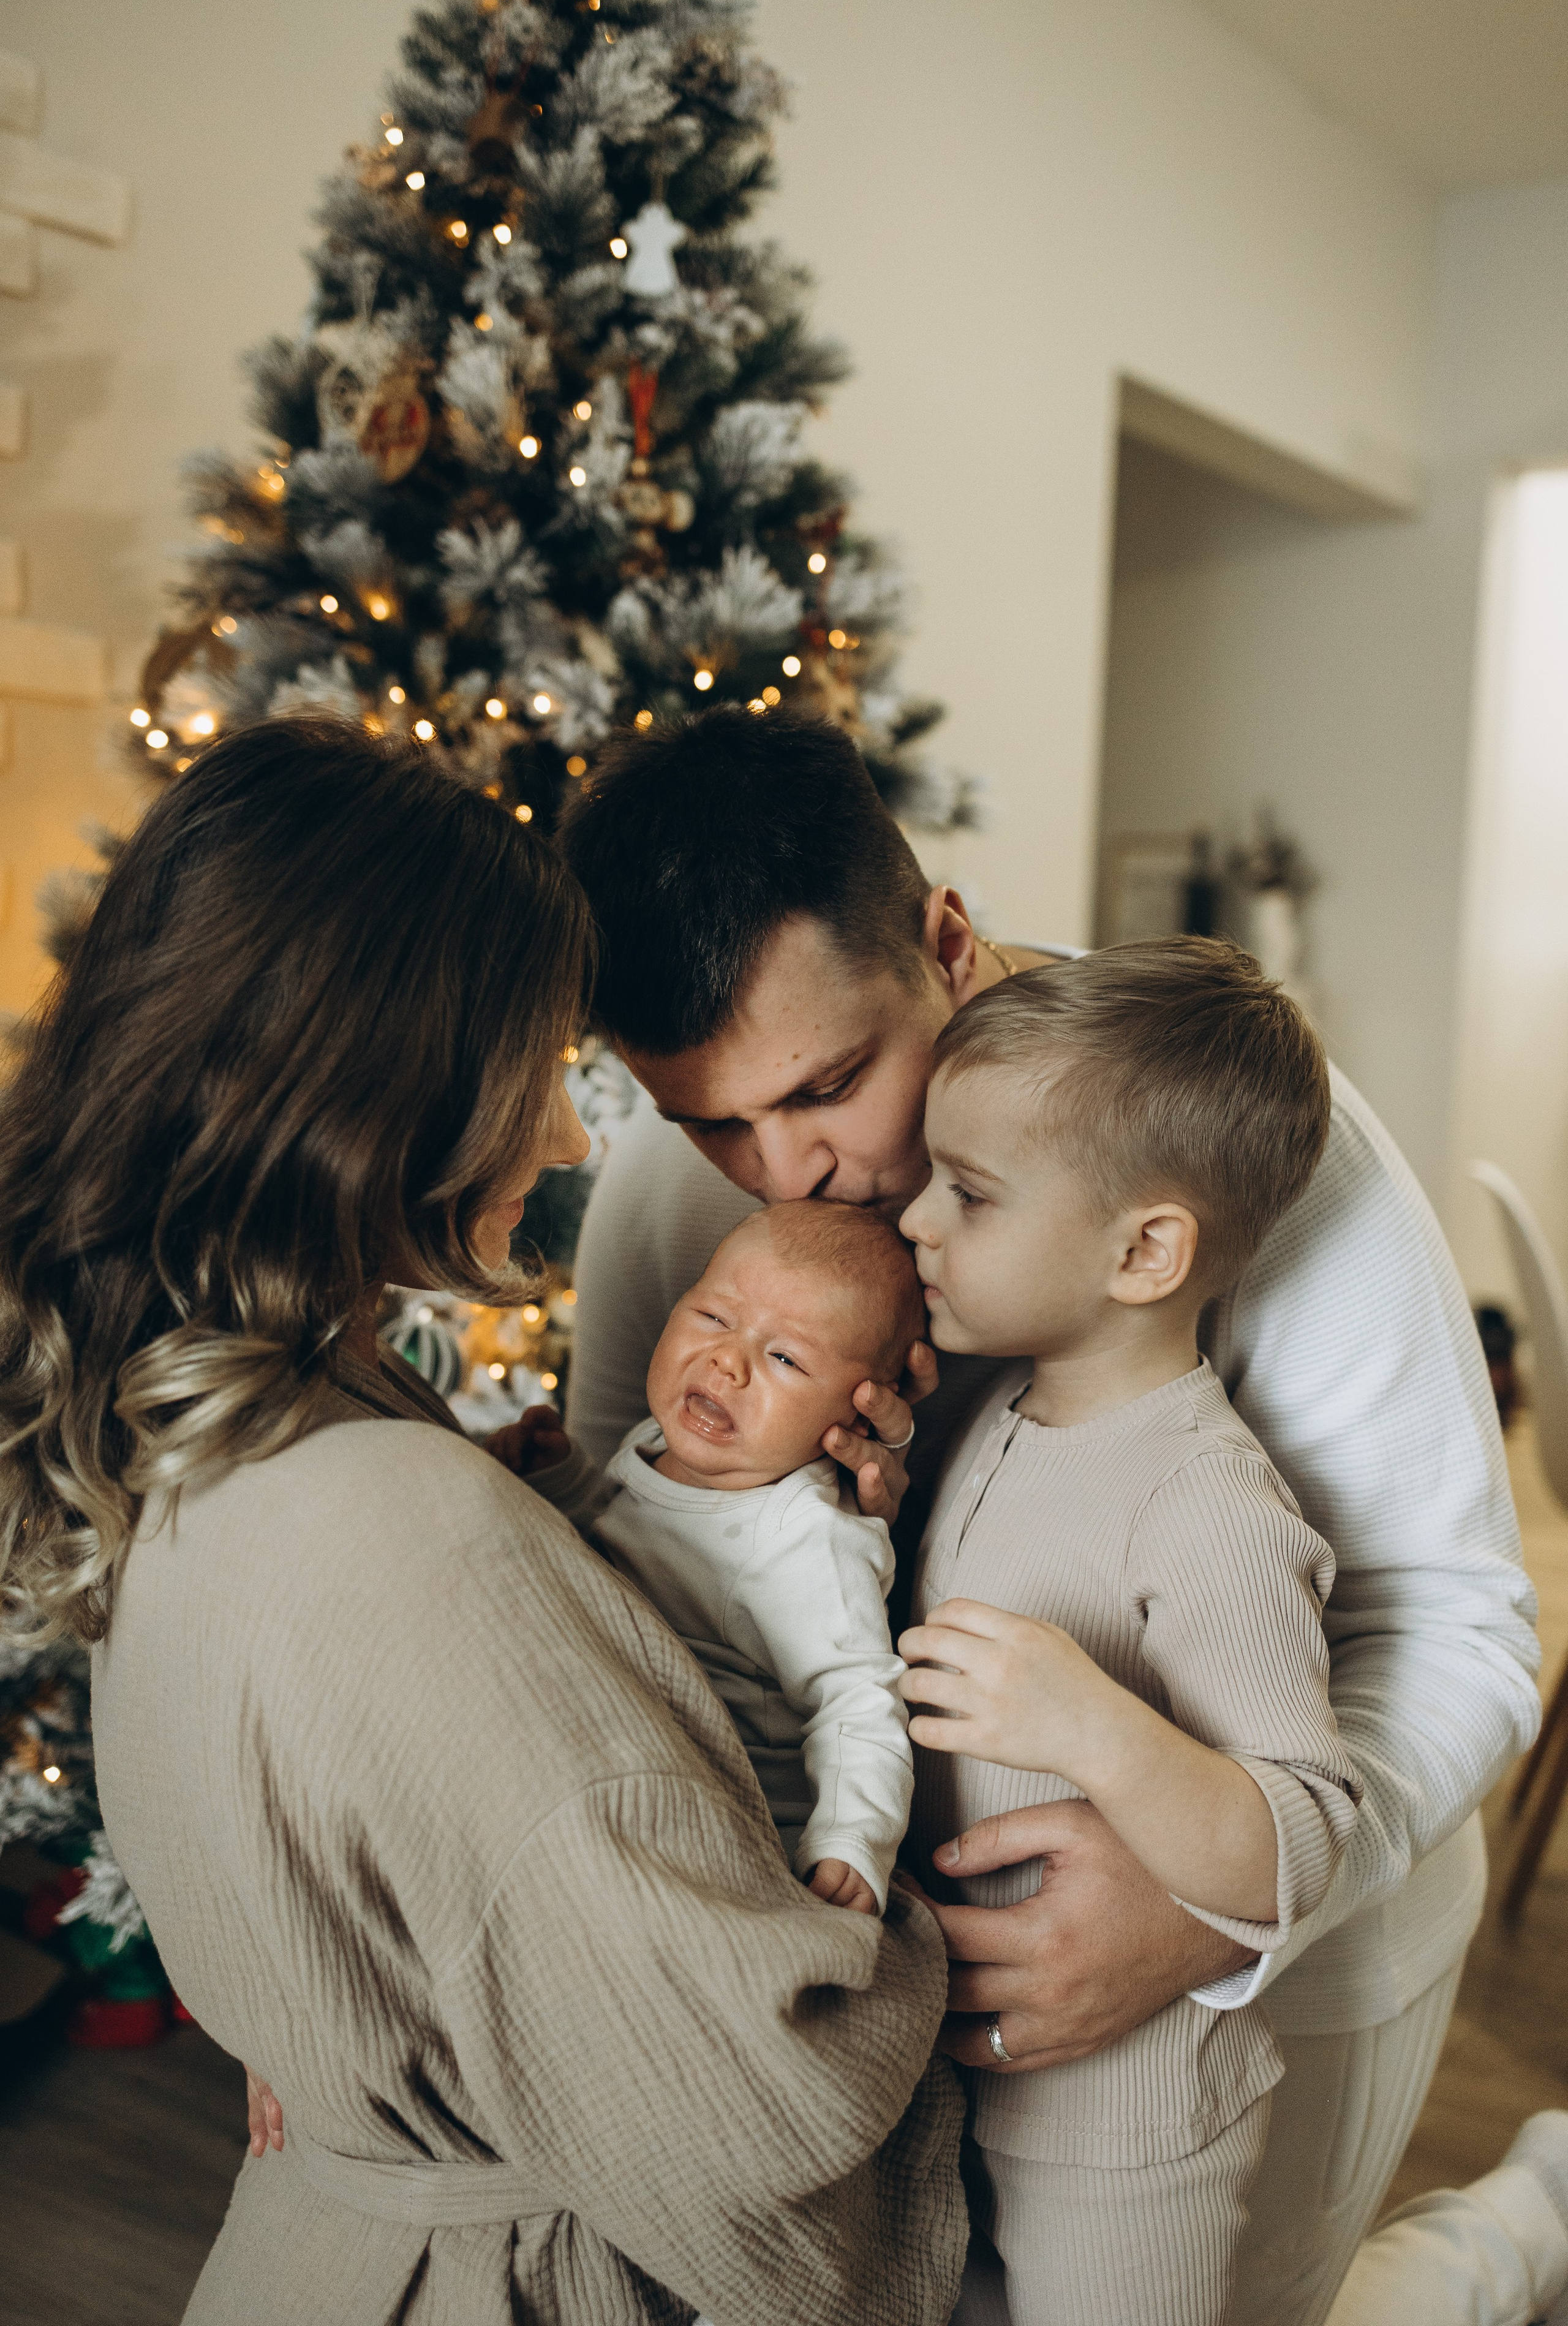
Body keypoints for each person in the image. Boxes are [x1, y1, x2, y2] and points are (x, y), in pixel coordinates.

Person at [559, 703, 1550, 2326]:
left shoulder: (1251, 1159)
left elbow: (1458, 1625)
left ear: (947, 942)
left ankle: (1496, 2248)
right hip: (915, 1965)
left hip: (1288, 1951)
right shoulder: (685, 1202)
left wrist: (1211, 1909)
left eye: (829, 1083)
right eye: (708, 1116)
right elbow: (639, 1535)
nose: (781, 1170)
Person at [0, 719, 967, 2326]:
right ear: (388, 1091)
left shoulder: (208, 1427)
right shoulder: (407, 1529)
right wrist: (917, 1916)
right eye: (535, 1072)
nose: (577, 1138)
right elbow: (760, 2099)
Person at [895, 942, 1359, 2324]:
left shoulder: (1203, 1503)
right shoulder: (1001, 1410)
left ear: (1145, 1251)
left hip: (1121, 2132)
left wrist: (1090, 1724)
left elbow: (1301, 1838)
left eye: (966, 1194)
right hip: (960, 2075)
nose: (914, 1220)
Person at [498, 1200, 925, 1916]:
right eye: (712, 1319)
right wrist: (567, 1482)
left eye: (785, 1358)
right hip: (623, 1750)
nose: (727, 1361)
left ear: (856, 1418)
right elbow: (627, 1548)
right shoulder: (664, 1441)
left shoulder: (804, 1536)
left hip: (738, 1824)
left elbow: (857, 1699)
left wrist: (852, 1837)